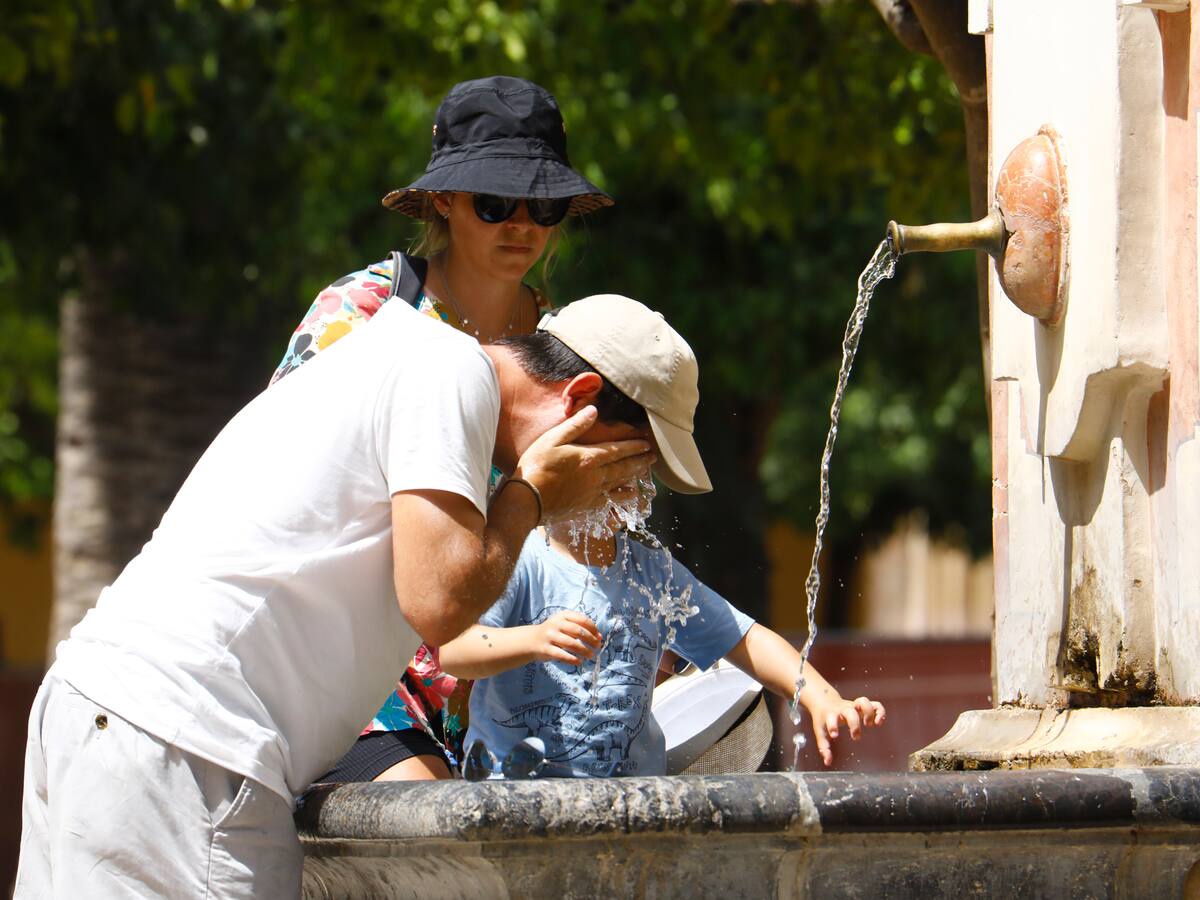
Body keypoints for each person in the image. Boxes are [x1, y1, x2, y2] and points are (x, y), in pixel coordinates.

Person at [17, 293, 679, 898]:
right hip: (185, 745)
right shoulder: (450, 373)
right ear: (580, 397)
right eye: (628, 463)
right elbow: (441, 607)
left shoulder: (402, 357)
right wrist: (530, 495)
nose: (625, 493)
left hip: (114, 714)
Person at [273, 75, 614, 783]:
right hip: (347, 667)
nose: (522, 225)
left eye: (544, 204)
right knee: (430, 829)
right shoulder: (366, 311)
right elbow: (280, 486)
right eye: (495, 202)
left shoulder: (555, 340)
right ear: (444, 201)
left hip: (481, 688)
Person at [438, 295, 887, 776]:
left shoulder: (651, 576)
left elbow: (746, 639)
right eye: (616, 463)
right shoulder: (520, 554)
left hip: (631, 805)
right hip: (511, 799)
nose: (627, 482)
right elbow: (454, 650)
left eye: (639, 470)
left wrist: (819, 695)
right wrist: (532, 639)